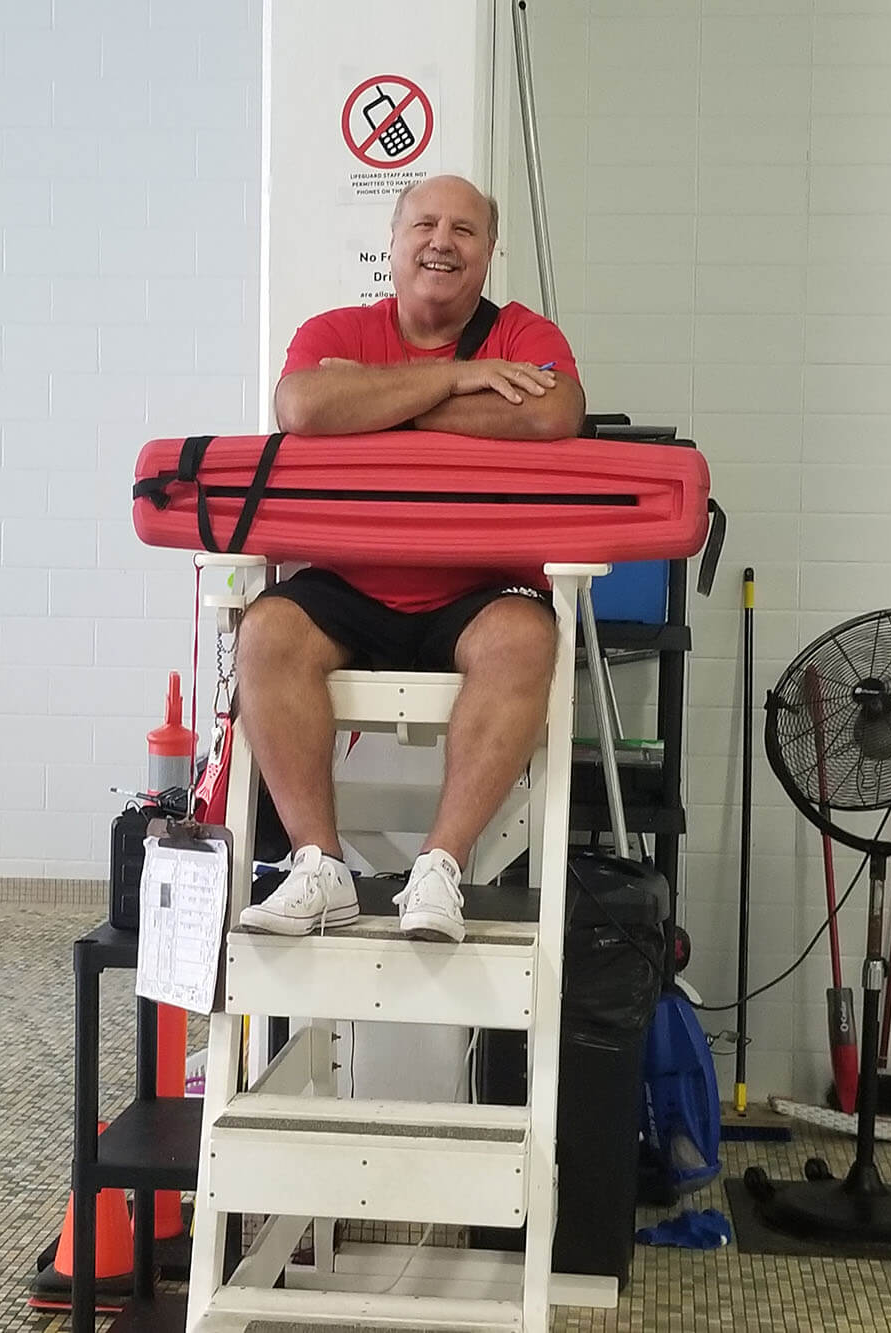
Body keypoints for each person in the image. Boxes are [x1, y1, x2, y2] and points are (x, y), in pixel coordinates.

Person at [238, 174, 585, 943]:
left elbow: (556, 411)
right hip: (350, 582)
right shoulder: (334, 331)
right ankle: (318, 869)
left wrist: (383, 402)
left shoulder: (526, 333)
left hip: (479, 588)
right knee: (264, 632)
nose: (442, 242)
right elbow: (302, 407)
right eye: (425, 224)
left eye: (464, 230)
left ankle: (439, 870)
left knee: (528, 639)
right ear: (392, 245)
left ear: (489, 253)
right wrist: (461, 379)